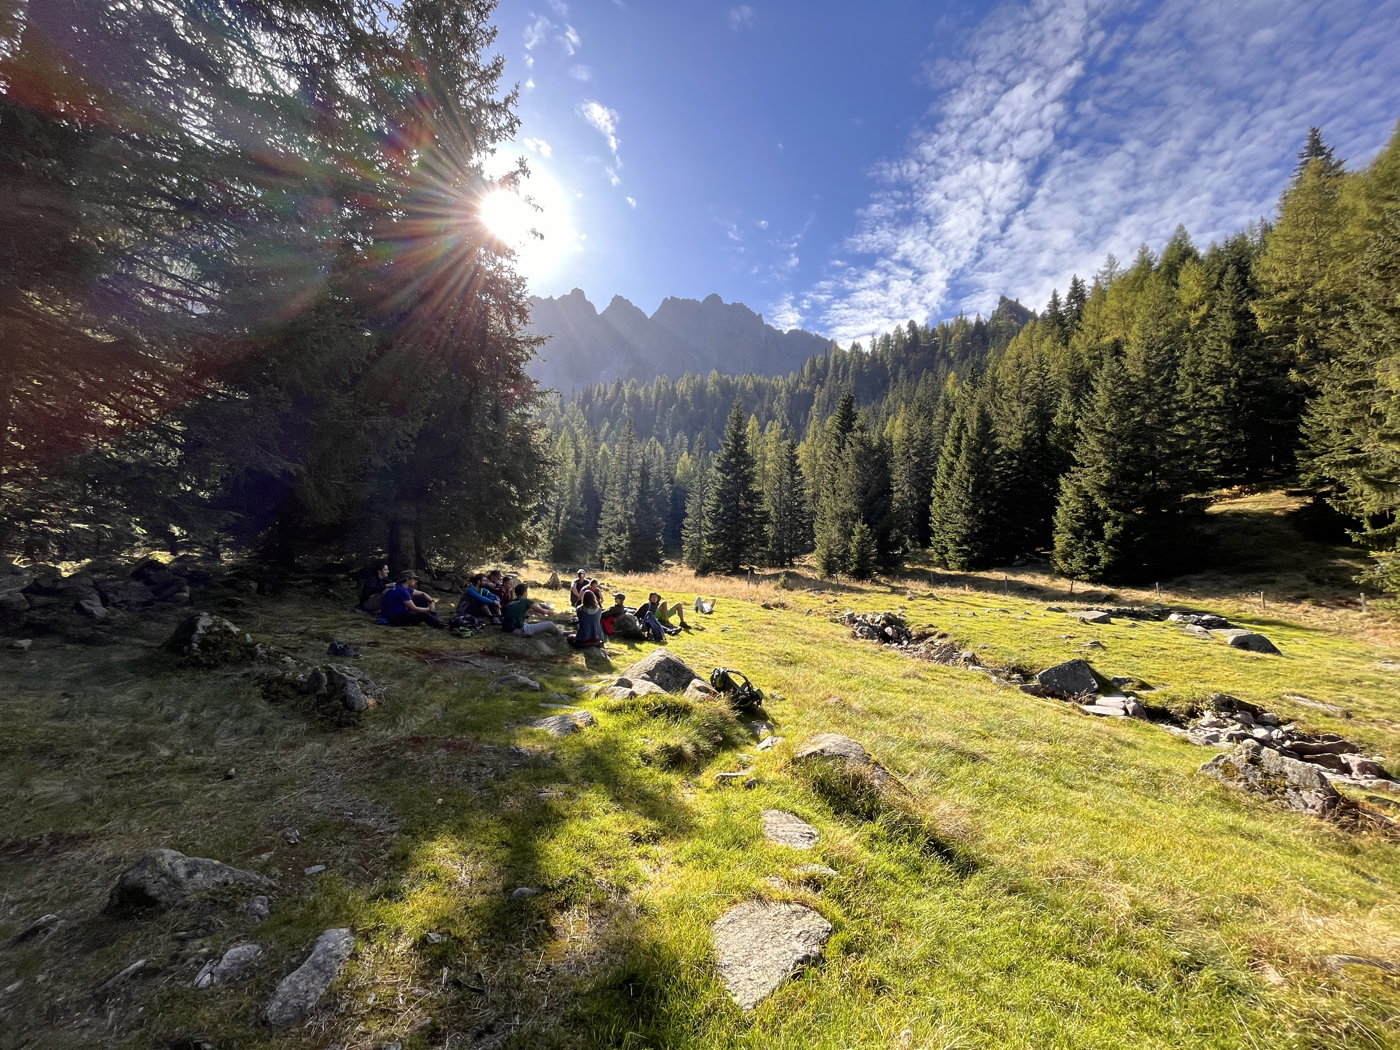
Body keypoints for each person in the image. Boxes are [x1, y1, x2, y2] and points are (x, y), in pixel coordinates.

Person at [380, 571, 447, 628]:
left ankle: (434, 616)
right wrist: (429, 609)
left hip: (397, 612)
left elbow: (423, 593)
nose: (416, 581)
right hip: (394, 618)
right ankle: (441, 625)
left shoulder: (402, 588)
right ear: (408, 580)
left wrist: (432, 602)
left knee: (421, 598)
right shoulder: (402, 591)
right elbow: (414, 609)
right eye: (414, 579)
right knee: (423, 615)